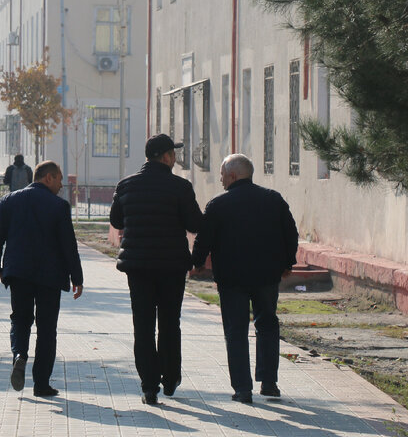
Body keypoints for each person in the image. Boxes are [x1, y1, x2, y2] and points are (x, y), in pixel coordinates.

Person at [191, 153, 299, 403]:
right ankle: (269, 383)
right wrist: (287, 263)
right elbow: (290, 233)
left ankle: (242, 389)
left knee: (236, 331)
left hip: (232, 280)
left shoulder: (218, 205)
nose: (220, 180)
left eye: (221, 175)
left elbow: (204, 239)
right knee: (267, 325)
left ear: (232, 175)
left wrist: (195, 263)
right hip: (266, 277)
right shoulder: (273, 200)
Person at [109, 133, 203, 405]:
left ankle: (149, 385)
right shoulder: (180, 187)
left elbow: (116, 220)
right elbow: (195, 223)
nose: (175, 157)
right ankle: (171, 378)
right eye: (173, 153)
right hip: (172, 267)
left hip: (138, 267)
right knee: (170, 323)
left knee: (143, 324)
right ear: (166, 157)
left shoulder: (126, 186)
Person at [0, 160, 84, 398]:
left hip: (18, 272)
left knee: (20, 320)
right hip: (50, 276)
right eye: (59, 179)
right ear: (48, 178)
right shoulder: (59, 207)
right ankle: (41, 384)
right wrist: (77, 277)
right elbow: (68, 245)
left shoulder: (9, 201)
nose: (61, 185)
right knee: (47, 328)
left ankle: (20, 354)